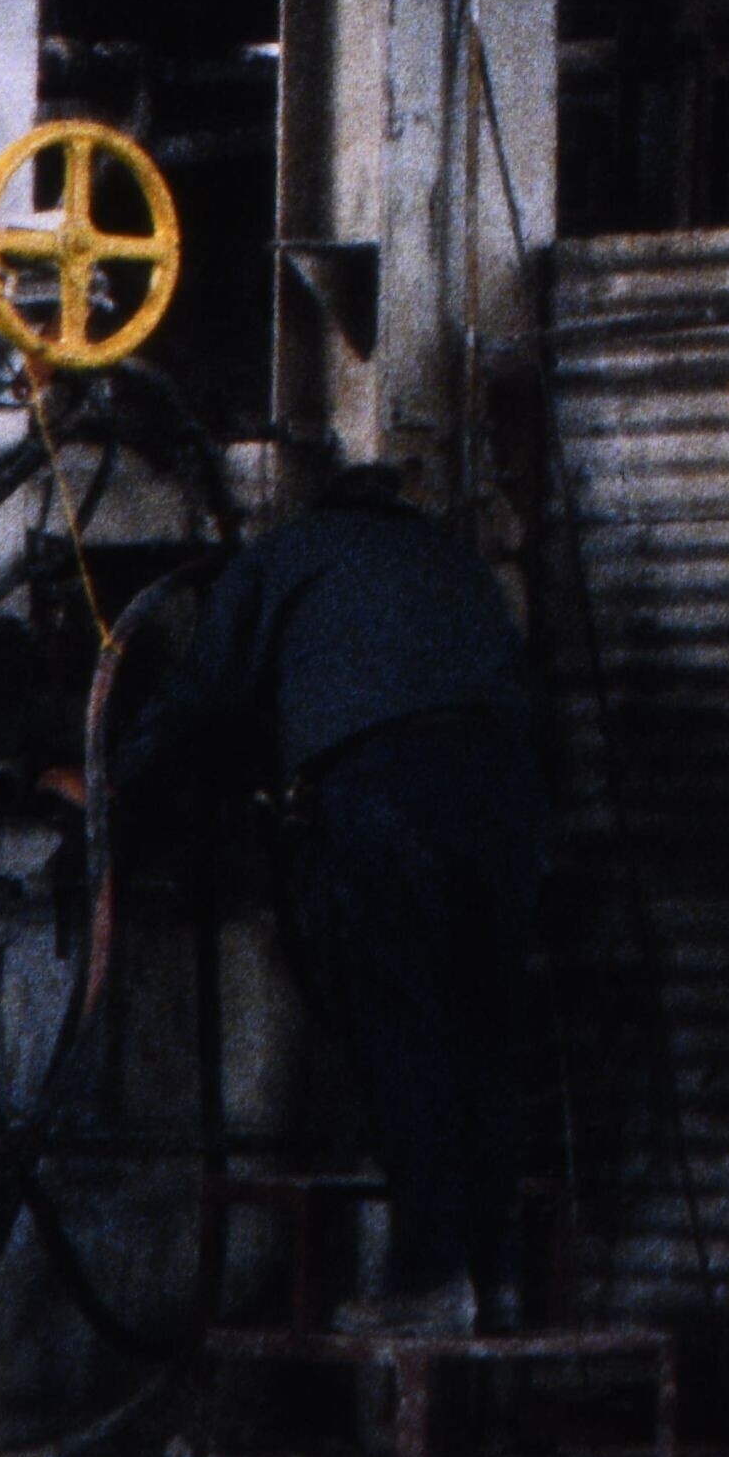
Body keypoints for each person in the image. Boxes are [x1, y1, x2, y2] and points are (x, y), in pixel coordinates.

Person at [94, 447, 551, 1334]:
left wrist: (114, 777)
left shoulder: (286, 552)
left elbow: (202, 695)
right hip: (504, 795)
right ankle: (495, 1277)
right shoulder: (455, 562)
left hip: (386, 794)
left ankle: (430, 1280)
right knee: (485, 1035)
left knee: (403, 1030)